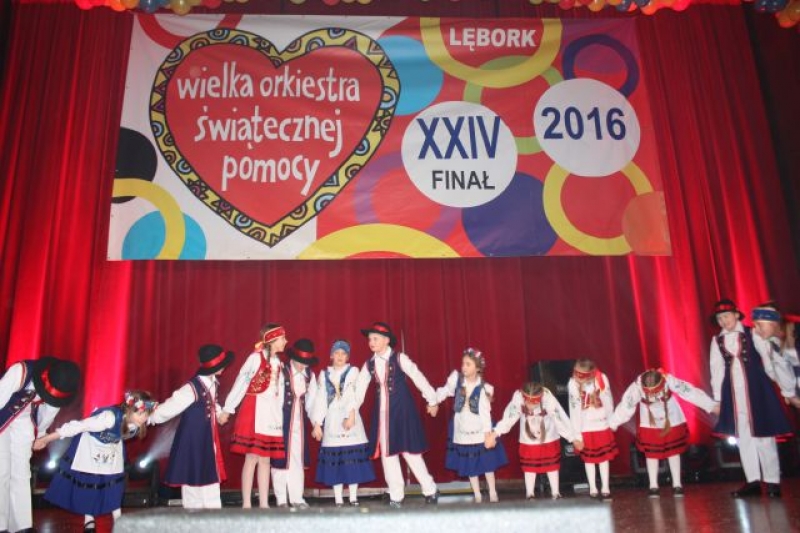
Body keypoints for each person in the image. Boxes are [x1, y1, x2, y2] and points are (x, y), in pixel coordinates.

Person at [36, 390, 156, 531]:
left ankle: (119, 520)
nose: (143, 418)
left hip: (112, 447)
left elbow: (161, 414)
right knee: (90, 482)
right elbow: (78, 426)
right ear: (130, 410)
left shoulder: (139, 421)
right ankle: (89, 520)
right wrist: (46, 439)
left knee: (114, 484)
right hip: (91, 446)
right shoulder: (108, 418)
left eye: (146, 414)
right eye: (140, 414)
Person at [709, 299, 793, 498]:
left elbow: (768, 358)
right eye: (720, 318)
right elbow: (716, 370)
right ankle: (752, 480)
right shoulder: (717, 340)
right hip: (733, 394)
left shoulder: (752, 332)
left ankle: (772, 481)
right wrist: (718, 399)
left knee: (764, 435)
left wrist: (782, 386)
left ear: (736, 314)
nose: (723, 321)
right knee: (743, 437)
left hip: (757, 389)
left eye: (726, 316)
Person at [354, 322, 439, 508]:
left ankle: (430, 489)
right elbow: (359, 389)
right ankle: (396, 495)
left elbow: (417, 376)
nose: (371, 342)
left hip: (402, 412)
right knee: (387, 454)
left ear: (386, 340)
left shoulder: (399, 358)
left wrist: (432, 400)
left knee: (410, 452)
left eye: (375, 339)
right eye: (369, 339)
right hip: (383, 416)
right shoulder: (369, 364)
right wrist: (351, 411)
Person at [609, 369, 718, 497]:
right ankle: (653, 486)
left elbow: (689, 391)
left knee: (673, 451)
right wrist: (613, 423)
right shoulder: (637, 386)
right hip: (650, 422)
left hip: (670, 418)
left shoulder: (668, 380)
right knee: (651, 453)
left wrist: (711, 405)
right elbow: (627, 405)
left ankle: (677, 484)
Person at [0, 356, 80, 533]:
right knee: (2, 471)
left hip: (23, 420)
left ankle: (22, 526)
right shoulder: (21, 371)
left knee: (22, 472)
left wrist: (41, 435)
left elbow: (47, 414)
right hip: (1, 416)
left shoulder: (59, 386)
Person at [149, 344, 234, 509]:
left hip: (205, 439)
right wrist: (150, 417)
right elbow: (170, 407)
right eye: (222, 365)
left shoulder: (211, 383)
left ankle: (210, 514)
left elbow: (212, 402)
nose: (224, 368)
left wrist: (219, 413)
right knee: (193, 479)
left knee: (207, 478)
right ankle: (194, 516)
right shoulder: (191, 388)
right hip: (192, 441)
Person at [222, 324, 287, 508]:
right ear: (273, 340)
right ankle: (246, 503)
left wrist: (279, 415)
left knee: (266, 459)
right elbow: (241, 382)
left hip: (271, 413)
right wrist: (228, 408)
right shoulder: (255, 358)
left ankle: (264, 503)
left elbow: (280, 392)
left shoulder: (278, 363)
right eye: (283, 338)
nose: (286, 341)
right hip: (255, 409)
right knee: (252, 457)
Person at [433, 348, 507, 503]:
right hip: (463, 429)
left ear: (477, 368)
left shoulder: (485, 388)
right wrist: (434, 401)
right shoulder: (457, 380)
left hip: (479, 429)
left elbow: (485, 413)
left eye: (468, 364)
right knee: (470, 464)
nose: (464, 367)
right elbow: (445, 391)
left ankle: (492, 492)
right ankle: (477, 494)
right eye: (463, 364)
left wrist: (487, 433)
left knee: (487, 463)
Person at [311, 340, 375, 507]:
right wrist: (317, 423)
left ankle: (353, 497)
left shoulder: (352, 371)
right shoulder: (324, 374)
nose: (340, 356)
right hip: (332, 420)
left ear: (347, 357)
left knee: (351, 461)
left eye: (343, 354)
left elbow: (351, 395)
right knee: (335, 462)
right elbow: (320, 399)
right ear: (331, 355)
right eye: (337, 353)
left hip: (349, 417)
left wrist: (350, 415)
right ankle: (338, 498)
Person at [492, 381, 579, 500]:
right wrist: (496, 433)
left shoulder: (548, 398)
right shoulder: (518, 397)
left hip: (548, 436)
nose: (530, 405)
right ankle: (530, 493)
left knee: (552, 465)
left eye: (534, 403)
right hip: (528, 438)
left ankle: (555, 492)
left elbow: (559, 418)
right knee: (529, 467)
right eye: (528, 402)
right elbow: (509, 418)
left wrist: (572, 437)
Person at [270, 338, 318, 508]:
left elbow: (312, 402)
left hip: (299, 425)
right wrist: (275, 423)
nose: (303, 365)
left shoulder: (310, 376)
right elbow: (274, 399)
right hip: (280, 423)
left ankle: (297, 498)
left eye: (306, 362)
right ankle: (281, 499)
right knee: (280, 460)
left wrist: (316, 423)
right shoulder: (282, 372)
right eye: (300, 361)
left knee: (297, 460)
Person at [568, 358, 617, 501]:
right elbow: (574, 410)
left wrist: (611, 421)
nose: (577, 377)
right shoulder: (572, 384)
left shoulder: (601, 379)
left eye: (581, 374)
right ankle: (593, 488)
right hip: (585, 427)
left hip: (601, 425)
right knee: (589, 459)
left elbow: (608, 400)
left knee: (604, 458)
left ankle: (605, 488)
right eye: (576, 373)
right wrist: (577, 434)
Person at [750, 304, 800, 408]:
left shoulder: (796, 334)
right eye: (755, 326)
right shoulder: (775, 343)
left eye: (760, 325)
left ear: (774, 323)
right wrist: (790, 395)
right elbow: (782, 370)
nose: (757, 330)